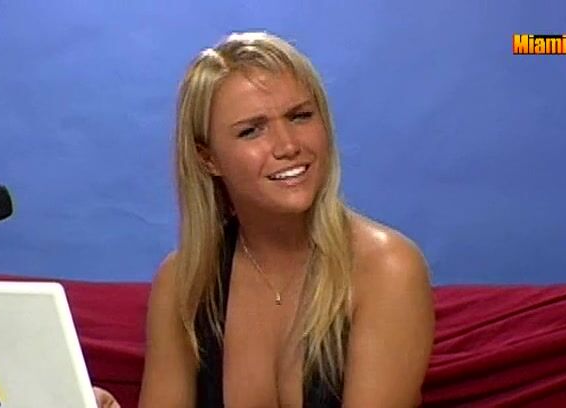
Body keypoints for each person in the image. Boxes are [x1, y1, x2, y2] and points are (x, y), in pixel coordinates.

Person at [133, 31, 434, 407]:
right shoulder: (183, 281)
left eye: (300, 116)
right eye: (251, 130)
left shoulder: (388, 267)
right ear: (208, 158)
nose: (289, 146)